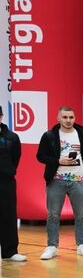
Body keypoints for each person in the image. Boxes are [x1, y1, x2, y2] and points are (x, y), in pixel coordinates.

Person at [36, 106, 83, 260]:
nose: (68, 120)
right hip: (56, 180)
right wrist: (58, 161)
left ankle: (82, 245)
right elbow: (40, 156)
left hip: (78, 180)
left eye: (71, 117)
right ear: (58, 118)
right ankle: (52, 246)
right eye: (65, 117)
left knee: (81, 215)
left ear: (74, 118)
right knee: (53, 215)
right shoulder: (49, 136)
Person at [0, 106, 25, 262]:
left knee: (8, 215)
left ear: (1, 117)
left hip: (6, 182)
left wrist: (7, 171)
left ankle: (9, 251)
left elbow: (15, 158)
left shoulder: (12, 137)